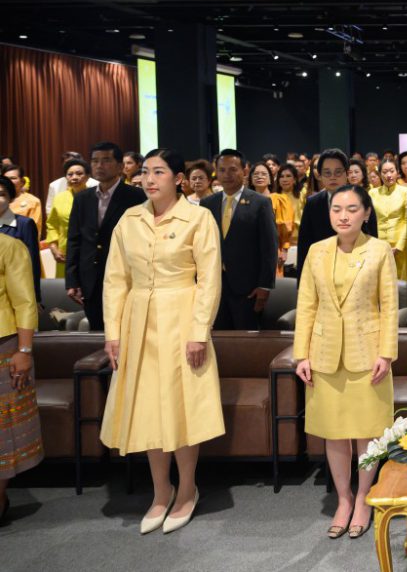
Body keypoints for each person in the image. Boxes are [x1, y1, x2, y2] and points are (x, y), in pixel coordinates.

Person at [101, 148, 225, 534]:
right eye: (145, 172)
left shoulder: (198, 218)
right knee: (149, 410)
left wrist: (198, 331)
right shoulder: (129, 218)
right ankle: (160, 491)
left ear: (178, 178)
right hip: (139, 323)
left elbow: (208, 280)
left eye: (159, 172)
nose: (149, 179)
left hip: (182, 320)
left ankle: (187, 490)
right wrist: (113, 333)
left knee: (181, 409)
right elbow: (115, 280)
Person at [294, 184, 397, 539]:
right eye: (337, 209)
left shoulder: (380, 250)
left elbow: (389, 307)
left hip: (367, 353)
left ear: (366, 213)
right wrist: (301, 354)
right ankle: (344, 499)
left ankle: (365, 497)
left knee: (367, 432)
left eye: (352, 209)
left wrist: (386, 352)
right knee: (334, 434)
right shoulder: (316, 251)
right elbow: (306, 305)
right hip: (324, 355)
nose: (343, 215)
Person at [65, 142, 148, 331]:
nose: (99, 166)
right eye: (95, 161)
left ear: (120, 166)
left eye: (106, 160)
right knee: (97, 333)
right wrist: (72, 280)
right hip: (90, 280)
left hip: (126, 278)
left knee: (126, 332)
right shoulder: (82, 198)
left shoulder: (136, 197)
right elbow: (75, 240)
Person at [201, 150, 278, 330]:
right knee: (219, 340)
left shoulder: (260, 203)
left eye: (233, 169)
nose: (227, 175)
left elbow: (269, 247)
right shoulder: (207, 203)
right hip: (215, 286)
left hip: (248, 288)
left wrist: (265, 286)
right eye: (222, 170)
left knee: (246, 342)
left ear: (244, 171)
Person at [0, 231, 41, 521]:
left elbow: (25, 302)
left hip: (5, 345)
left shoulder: (9, 246)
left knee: (3, 430)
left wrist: (24, 350)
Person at [297, 149, 379, 281]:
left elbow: (372, 238)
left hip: (357, 273)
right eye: (327, 173)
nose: (332, 177)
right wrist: (302, 283)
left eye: (338, 172)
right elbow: (305, 244)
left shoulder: (362, 199)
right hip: (322, 274)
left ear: (347, 173)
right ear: (320, 175)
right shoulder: (313, 203)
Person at [45, 158, 90, 279]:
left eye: (79, 174)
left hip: (90, 252)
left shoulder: (95, 196)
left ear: (87, 176)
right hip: (65, 252)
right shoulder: (59, 198)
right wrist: (54, 248)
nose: (74, 177)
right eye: (70, 174)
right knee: (65, 290)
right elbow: (52, 225)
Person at [250, 163, 294, 276]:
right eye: (256, 174)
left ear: (270, 180)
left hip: (273, 250)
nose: (259, 176)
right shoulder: (244, 200)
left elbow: (286, 227)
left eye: (264, 174)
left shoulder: (279, 200)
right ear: (250, 179)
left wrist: (284, 250)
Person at [0, 177, 41, 301]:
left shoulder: (24, 224)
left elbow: (32, 263)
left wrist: (35, 298)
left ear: (10, 198)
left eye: (2, 194)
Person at [370, 159, 407, 283]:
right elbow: (369, 221)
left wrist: (399, 246)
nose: (388, 175)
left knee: (400, 285)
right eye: (385, 172)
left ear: (397, 172)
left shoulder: (405, 192)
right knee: (379, 284)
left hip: (400, 246)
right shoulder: (372, 193)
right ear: (380, 174)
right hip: (378, 245)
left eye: (392, 171)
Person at [1, 164, 42, 235]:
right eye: (6, 178)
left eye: (13, 178)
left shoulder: (33, 201)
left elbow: (34, 231)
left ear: (22, 182)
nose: (9, 181)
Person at [275, 162, 305, 247]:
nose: (284, 179)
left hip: (299, 242)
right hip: (279, 244)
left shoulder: (302, 196)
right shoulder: (273, 197)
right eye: (281, 176)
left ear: (295, 180)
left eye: (288, 176)